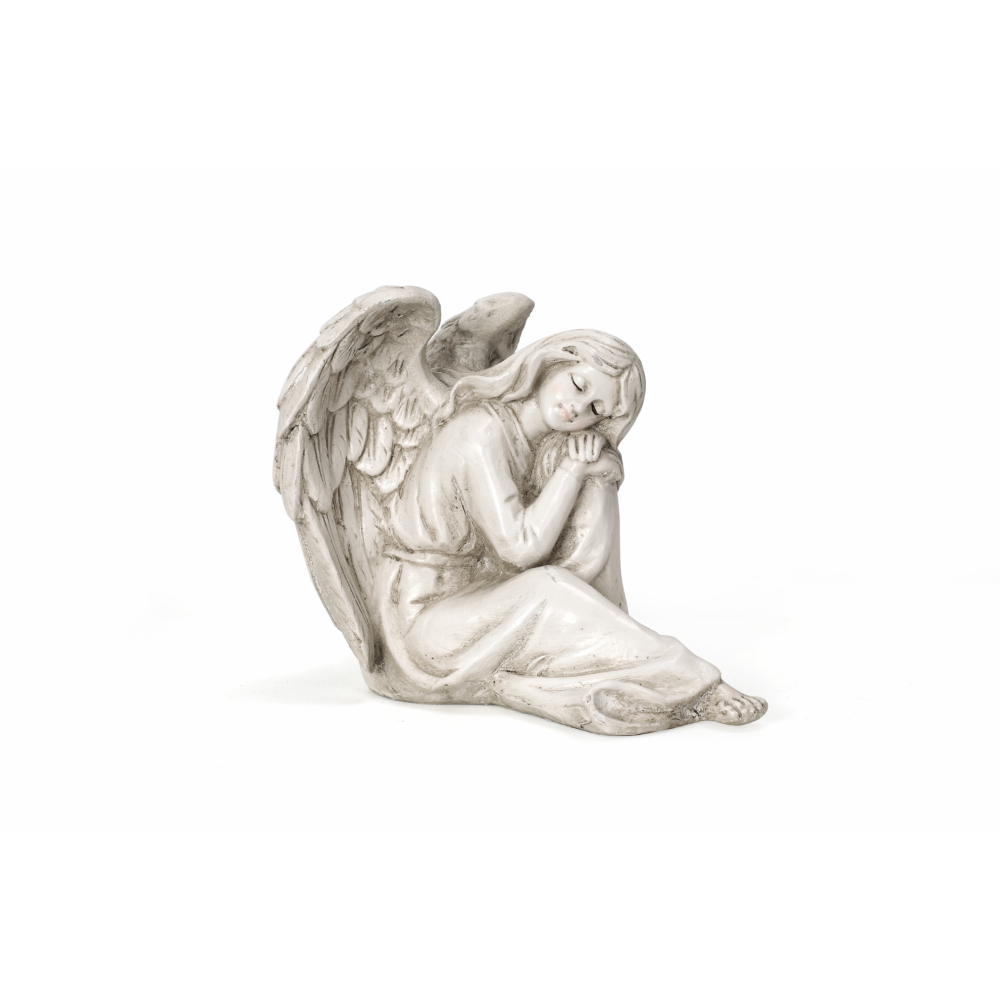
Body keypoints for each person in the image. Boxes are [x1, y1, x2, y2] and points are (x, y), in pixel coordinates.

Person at [365, 330, 767, 735]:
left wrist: (595, 470)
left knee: (596, 485)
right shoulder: (480, 431)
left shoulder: (539, 439)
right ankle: (695, 681)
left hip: (482, 601)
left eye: (595, 409)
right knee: (546, 586)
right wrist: (571, 469)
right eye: (578, 384)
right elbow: (520, 549)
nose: (577, 408)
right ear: (552, 363)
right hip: (428, 623)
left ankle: (590, 660)